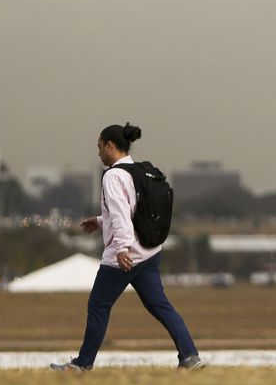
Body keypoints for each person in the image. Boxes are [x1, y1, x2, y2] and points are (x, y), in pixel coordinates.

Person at [50, 122, 203, 371]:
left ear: (110, 145)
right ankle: (190, 356)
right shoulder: (139, 171)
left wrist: (121, 248)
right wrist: (100, 221)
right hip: (149, 253)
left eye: (99, 147)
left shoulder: (113, 176)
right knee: (161, 306)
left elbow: (122, 214)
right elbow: (135, 212)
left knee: (98, 305)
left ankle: (82, 365)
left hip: (124, 256)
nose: (99, 153)